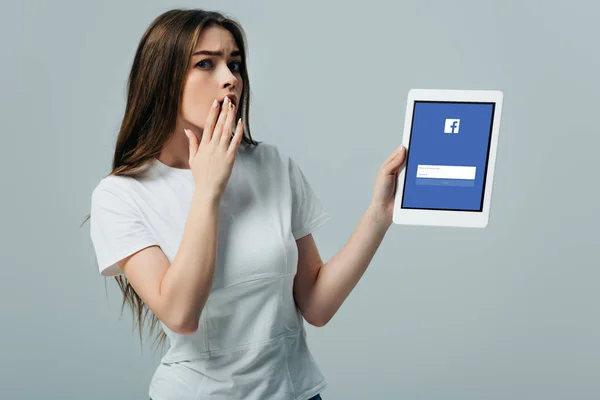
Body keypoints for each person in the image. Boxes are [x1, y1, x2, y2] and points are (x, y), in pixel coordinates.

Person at [86, 8, 407, 400]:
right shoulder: (121, 195)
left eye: (234, 63)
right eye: (205, 63)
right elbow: (180, 313)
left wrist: (379, 215)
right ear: (162, 78)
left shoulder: (273, 165)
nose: (229, 79)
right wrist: (207, 191)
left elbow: (316, 305)